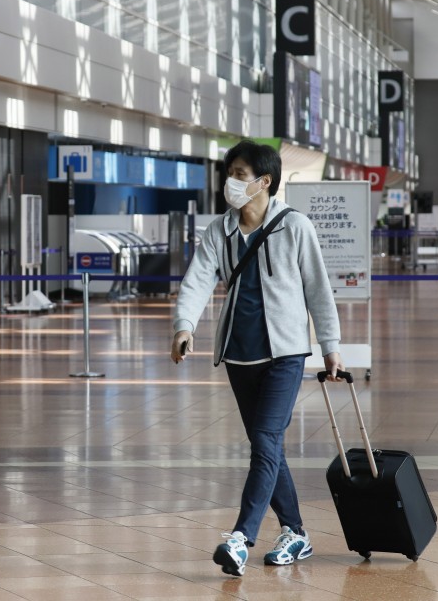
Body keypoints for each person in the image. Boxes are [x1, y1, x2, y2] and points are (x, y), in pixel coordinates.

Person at [170, 140, 343, 576]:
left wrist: (331, 345)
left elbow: (318, 288)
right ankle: (296, 532)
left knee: (265, 441)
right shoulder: (220, 230)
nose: (230, 181)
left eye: (240, 174)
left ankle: (240, 538)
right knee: (267, 445)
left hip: (285, 354)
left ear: (264, 181)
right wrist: (184, 326)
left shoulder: (295, 226)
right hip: (239, 354)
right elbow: (197, 280)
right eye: (229, 173)